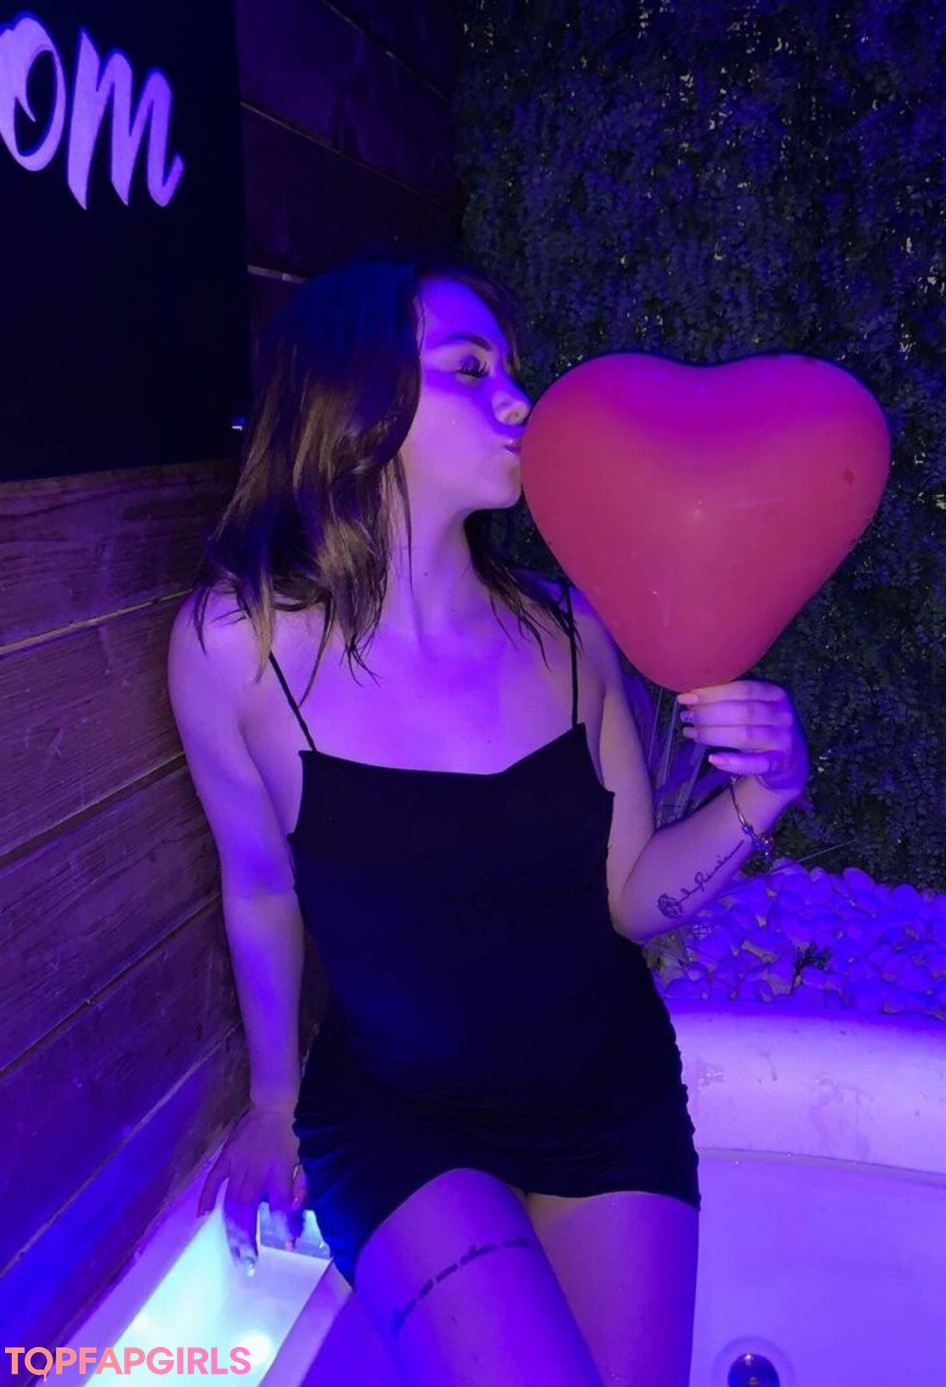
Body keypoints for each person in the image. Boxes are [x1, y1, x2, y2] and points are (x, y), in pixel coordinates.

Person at [167, 252, 809, 1386]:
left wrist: (763, 795)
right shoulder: (239, 646)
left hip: (606, 1094)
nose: (521, 400)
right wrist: (271, 1097)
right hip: (402, 1115)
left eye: (512, 368)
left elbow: (632, 897)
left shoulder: (570, 634)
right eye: (471, 369)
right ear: (355, 396)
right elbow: (260, 884)